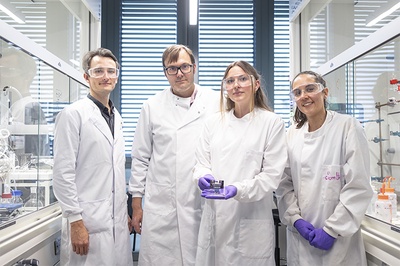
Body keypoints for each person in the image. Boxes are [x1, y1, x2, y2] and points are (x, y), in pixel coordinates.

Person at [128, 44, 219, 265]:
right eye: (172, 68)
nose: (179, 73)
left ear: (194, 68)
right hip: (163, 202)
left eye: (184, 66)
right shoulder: (151, 106)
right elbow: (140, 158)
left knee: (206, 256)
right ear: (165, 73)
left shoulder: (217, 101)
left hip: (203, 198)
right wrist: (137, 206)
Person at [193, 61, 288, 266]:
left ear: (256, 84)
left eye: (243, 79)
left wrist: (236, 189)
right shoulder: (213, 123)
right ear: (225, 88)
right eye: (230, 81)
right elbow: (201, 163)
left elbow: (271, 177)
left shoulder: (271, 123)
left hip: (250, 218)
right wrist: (203, 176)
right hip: (215, 217)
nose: (236, 85)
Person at [275, 70, 373, 265]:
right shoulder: (292, 134)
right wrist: (295, 219)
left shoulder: (347, 127)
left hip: (339, 241)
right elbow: (284, 184)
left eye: (310, 89)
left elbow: (358, 187)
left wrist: (331, 230)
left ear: (325, 92)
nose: (304, 96)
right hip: (300, 239)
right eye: (297, 92)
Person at [53, 48, 133, 266]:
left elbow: (113, 171)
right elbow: (62, 173)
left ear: (117, 76)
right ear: (87, 77)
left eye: (111, 71)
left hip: (114, 221)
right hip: (87, 221)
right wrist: (75, 220)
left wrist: (120, 212)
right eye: (98, 71)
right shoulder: (73, 114)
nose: (106, 77)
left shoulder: (116, 116)